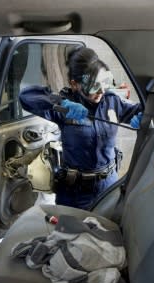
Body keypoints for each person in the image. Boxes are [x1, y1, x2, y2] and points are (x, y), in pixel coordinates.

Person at [19, 47, 144, 210]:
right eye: (93, 86)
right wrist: (59, 103)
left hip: (109, 187)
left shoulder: (112, 101)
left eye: (103, 84)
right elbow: (25, 97)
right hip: (75, 194)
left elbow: (145, 109)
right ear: (74, 84)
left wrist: (142, 116)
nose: (101, 91)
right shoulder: (65, 105)